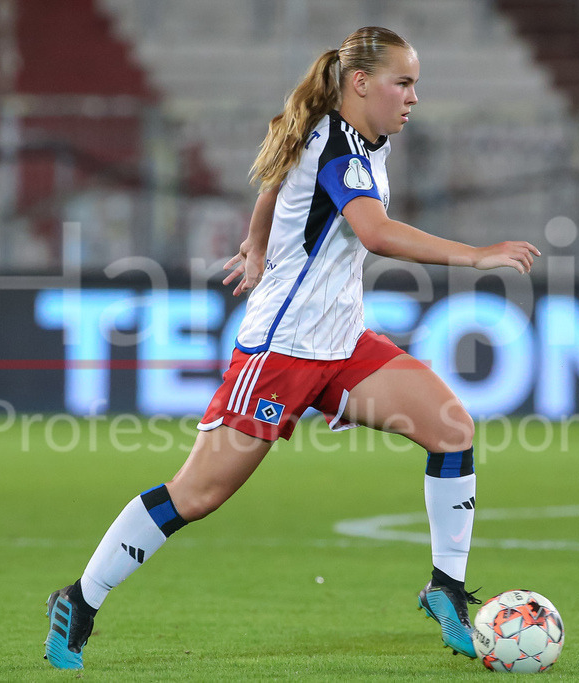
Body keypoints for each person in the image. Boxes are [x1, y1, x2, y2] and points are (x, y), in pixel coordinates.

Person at [44, 26, 539, 669]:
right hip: (282, 350)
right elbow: (375, 232)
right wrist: (474, 254)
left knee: (452, 428)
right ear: (361, 83)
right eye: (404, 82)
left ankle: (444, 590)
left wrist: (257, 241)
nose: (414, 97)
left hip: (341, 342)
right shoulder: (338, 145)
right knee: (197, 495)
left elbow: (276, 185)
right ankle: (79, 600)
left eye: (415, 83)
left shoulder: (364, 138)